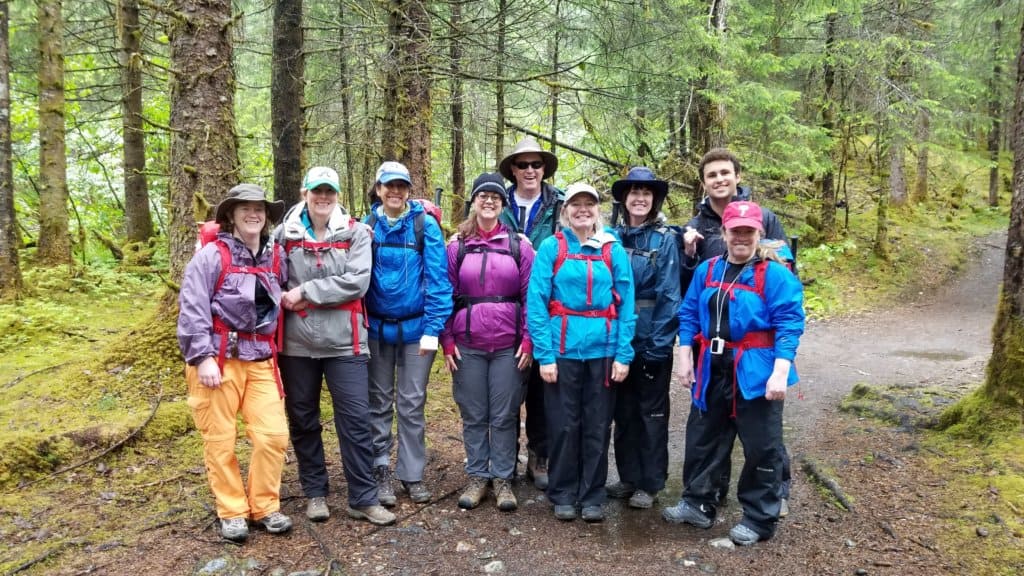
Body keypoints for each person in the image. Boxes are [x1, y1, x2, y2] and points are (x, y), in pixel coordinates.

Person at [662, 200, 804, 546]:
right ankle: (698, 502)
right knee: (704, 435)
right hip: (712, 367)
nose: (741, 237)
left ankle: (759, 519)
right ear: (724, 232)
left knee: (761, 446)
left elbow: (789, 323)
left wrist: (780, 372)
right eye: (734, 231)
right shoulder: (708, 270)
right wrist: (684, 358)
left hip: (756, 369)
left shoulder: (774, 275)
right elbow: (690, 314)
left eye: (748, 232)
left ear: (759, 233)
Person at [275, 167, 396, 526]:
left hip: (347, 343)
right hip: (296, 346)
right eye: (317, 191)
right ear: (304, 193)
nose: (323, 198)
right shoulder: (284, 235)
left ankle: (362, 497)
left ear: (338, 195)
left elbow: (356, 282)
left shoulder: (358, 233)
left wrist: (305, 293)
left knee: (357, 420)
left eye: (329, 191)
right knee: (303, 419)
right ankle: (315, 493)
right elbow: (273, 279)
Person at [681, 147, 795, 515]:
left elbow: (787, 304)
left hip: (754, 354)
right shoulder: (698, 232)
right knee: (706, 431)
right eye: (712, 175)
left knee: (761, 436)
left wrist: (780, 365)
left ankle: (769, 502)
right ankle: (702, 500)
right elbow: (689, 302)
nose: (719, 180)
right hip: (711, 353)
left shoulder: (768, 234)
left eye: (725, 173)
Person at [177, 183, 292, 543]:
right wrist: (203, 357)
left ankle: (265, 505)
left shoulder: (275, 258)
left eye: (258, 208)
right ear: (230, 215)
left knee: (273, 435)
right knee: (220, 440)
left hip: (260, 359)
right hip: (218, 360)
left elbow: (282, 297)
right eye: (244, 208)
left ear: (266, 216)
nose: (253, 214)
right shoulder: (211, 257)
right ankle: (231, 511)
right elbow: (192, 306)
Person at [527, 182, 636, 523]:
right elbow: (536, 302)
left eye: (589, 204)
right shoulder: (551, 247)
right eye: (576, 204)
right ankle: (562, 492)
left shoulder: (611, 249)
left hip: (603, 350)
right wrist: (544, 355)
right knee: (562, 424)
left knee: (597, 425)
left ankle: (592, 494)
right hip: (562, 350)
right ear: (566, 211)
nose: (583, 209)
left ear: (597, 210)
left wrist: (623, 353)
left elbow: (627, 302)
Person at [442, 172, 536, 512]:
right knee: (474, 412)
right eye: (483, 195)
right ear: (474, 202)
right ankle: (478, 475)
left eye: (496, 196)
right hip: (467, 344)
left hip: (509, 346)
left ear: (502, 204)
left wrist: (528, 339)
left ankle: (503, 479)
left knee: (505, 413)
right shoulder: (457, 246)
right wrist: (447, 340)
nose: (489, 200)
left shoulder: (519, 245)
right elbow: (444, 294)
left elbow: (530, 296)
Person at [364, 161, 453, 506]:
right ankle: (380, 469)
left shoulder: (425, 226)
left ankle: (412, 474)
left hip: (417, 330)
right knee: (379, 402)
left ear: (408, 190)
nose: (395, 192)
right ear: (379, 189)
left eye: (401, 185)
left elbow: (439, 280)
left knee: (412, 402)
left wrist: (433, 329)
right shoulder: (367, 227)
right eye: (389, 186)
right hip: (375, 327)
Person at [606, 167, 681, 509]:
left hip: (650, 335)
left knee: (650, 412)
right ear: (623, 198)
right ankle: (628, 476)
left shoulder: (664, 239)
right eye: (633, 191)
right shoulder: (610, 237)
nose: (639, 198)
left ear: (655, 200)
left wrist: (660, 344)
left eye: (646, 193)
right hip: (616, 338)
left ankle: (650, 482)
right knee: (623, 411)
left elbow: (670, 293)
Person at [498, 137, 562, 490]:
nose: (530, 171)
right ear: (512, 169)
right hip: (503, 307)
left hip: (548, 307)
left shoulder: (560, 204)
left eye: (535, 165)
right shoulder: (494, 201)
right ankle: (506, 456)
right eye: (522, 165)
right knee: (507, 387)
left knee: (541, 387)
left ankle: (541, 453)